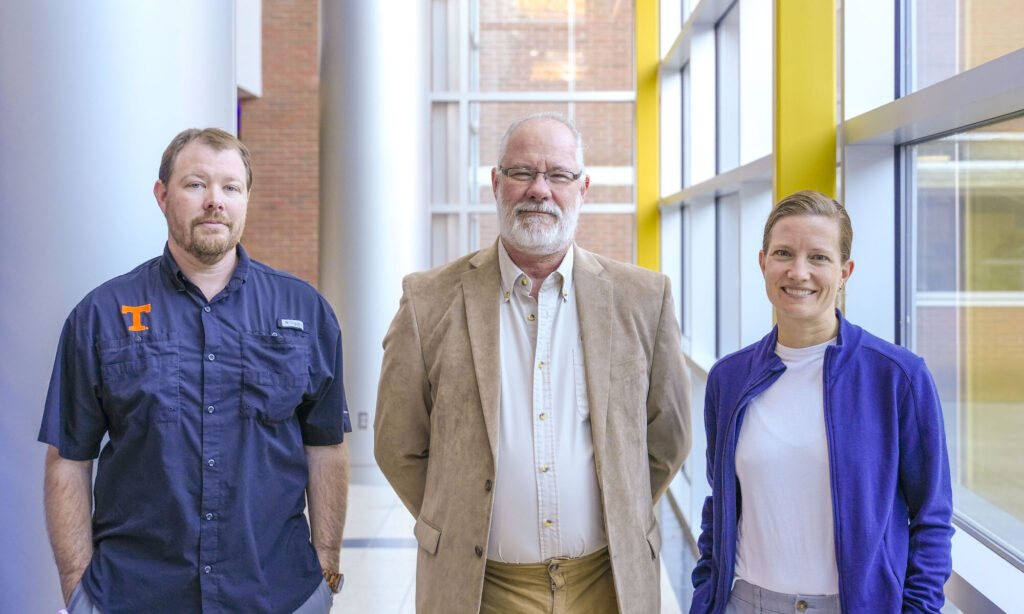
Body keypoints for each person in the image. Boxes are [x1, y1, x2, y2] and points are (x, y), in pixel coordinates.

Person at [374, 112, 691, 614]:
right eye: (522, 173)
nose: (539, 189)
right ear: (496, 184)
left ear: (583, 188)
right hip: (481, 589)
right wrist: (459, 517)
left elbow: (668, 439)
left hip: (607, 585)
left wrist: (618, 505)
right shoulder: (427, 301)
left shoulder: (643, 298)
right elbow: (398, 445)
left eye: (558, 175)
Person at [40, 128, 351, 614]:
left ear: (247, 198)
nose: (214, 202)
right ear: (162, 196)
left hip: (278, 594)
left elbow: (326, 445)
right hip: (132, 596)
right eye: (195, 185)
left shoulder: (306, 311)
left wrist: (326, 569)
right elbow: (69, 456)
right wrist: (76, 587)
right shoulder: (101, 315)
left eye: (230, 187)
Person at [690, 190, 954, 613]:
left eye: (819, 257)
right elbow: (719, 506)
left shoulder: (898, 377)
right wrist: (706, 599)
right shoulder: (729, 378)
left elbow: (931, 518)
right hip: (745, 602)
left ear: (845, 271)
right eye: (783, 253)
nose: (798, 272)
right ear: (763, 263)